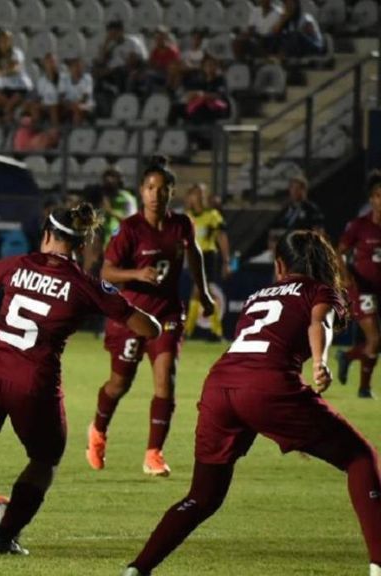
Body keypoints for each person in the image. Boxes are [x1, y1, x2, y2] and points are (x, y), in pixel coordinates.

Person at [0, 203, 161, 554]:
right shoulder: (85, 285)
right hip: (33, 382)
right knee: (45, 461)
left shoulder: (18, 265)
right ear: (82, 244)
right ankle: (4, 537)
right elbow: (148, 327)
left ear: (46, 235)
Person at [122, 230, 381, 576]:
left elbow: (262, 345)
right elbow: (319, 323)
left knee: (202, 497)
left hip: (220, 385)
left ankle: (137, 569)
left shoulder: (257, 296)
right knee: (360, 458)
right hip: (265, 389)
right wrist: (320, 361)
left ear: (279, 265)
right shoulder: (320, 291)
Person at [87, 156, 215, 477]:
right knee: (119, 384)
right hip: (130, 316)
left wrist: (204, 292)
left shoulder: (181, 225)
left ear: (172, 192)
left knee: (165, 382)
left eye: (163, 189)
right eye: (150, 188)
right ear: (141, 191)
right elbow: (107, 272)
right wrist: (137, 274)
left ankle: (154, 453)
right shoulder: (130, 229)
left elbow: (194, 254)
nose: (155, 194)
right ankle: (98, 431)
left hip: (168, 314)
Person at [336, 172, 381, 398]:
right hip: (362, 288)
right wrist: (345, 276)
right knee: (374, 339)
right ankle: (364, 388)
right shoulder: (359, 226)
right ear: (371, 199)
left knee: (372, 342)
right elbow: (339, 252)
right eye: (378, 196)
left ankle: (347, 357)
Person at [184, 183, 231, 341]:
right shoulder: (188, 216)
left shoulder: (212, 215)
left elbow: (222, 237)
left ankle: (188, 332)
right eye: (196, 193)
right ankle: (216, 332)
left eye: (202, 193)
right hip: (193, 256)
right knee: (202, 293)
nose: (199, 196)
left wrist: (226, 261)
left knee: (198, 291)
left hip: (208, 255)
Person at [0, 29, 33, 121]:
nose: (4, 43)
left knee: (8, 108)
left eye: (6, 40)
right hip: (7, 88)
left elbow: (16, 68)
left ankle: (9, 130)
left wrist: (4, 72)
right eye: (2, 40)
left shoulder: (16, 53)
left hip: (21, 88)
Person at [59, 57, 94, 126]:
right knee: (54, 106)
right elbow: (61, 96)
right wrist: (68, 104)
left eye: (79, 66)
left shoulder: (87, 78)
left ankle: (76, 131)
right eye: (75, 66)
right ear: (70, 68)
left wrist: (75, 104)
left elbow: (85, 97)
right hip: (69, 104)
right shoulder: (64, 79)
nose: (77, 69)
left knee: (77, 108)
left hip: (87, 105)